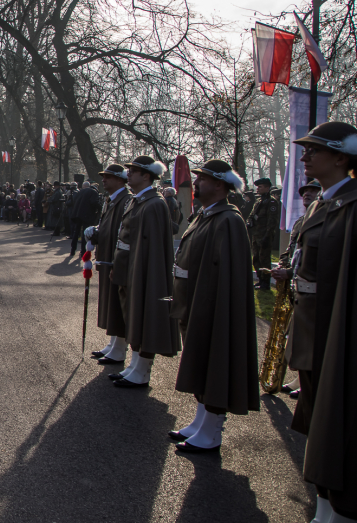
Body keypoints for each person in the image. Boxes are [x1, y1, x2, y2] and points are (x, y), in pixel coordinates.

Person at [273, 121, 357, 523]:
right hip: (314, 327)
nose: (304, 158)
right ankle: (324, 519)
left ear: (342, 157)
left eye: (314, 151)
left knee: (339, 430)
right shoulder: (328, 202)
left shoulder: (352, 205)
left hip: (338, 332)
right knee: (319, 426)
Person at [168, 160, 258, 454]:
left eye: (203, 179)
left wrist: (210, 307)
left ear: (220, 184)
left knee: (213, 363)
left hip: (210, 306)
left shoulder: (229, 220)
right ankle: (202, 419)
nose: (196, 184)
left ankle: (213, 429)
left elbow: (226, 276)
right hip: (194, 302)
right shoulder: (206, 215)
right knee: (199, 363)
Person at [108, 156, 179, 388]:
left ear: (146, 175)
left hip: (143, 270)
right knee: (133, 317)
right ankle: (134, 366)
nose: (128, 174)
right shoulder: (138, 201)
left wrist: (144, 274)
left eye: (133, 171)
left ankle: (142, 369)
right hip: (130, 268)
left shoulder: (154, 203)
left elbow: (155, 248)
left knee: (143, 318)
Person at [271, 178, 321, 399]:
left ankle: (309, 379)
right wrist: (283, 265)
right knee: (296, 334)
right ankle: (300, 377)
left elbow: (312, 260)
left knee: (312, 337)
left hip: (314, 289)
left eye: (312, 191)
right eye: (305, 192)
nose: (307, 195)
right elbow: (293, 252)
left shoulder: (322, 219)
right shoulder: (303, 221)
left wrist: (290, 272)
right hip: (295, 286)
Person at [87, 164, 132, 364]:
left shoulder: (125, 200)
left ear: (121, 180)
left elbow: (123, 231)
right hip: (107, 258)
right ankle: (114, 342)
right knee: (109, 303)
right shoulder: (111, 200)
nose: (104, 180)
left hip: (117, 260)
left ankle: (119, 347)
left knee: (116, 304)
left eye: (109, 177)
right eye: (104, 176)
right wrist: (96, 231)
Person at [248, 177, 280, 290]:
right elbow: (252, 216)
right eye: (257, 187)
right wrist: (249, 222)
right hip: (256, 235)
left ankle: (265, 282)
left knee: (264, 259)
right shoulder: (259, 201)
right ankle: (260, 279)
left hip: (265, 235)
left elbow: (272, 221)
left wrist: (267, 236)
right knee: (256, 258)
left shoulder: (271, 202)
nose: (258, 189)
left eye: (260, 187)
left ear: (267, 188)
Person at [68, 181, 101, 256]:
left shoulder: (81, 191)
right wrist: (99, 208)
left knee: (76, 232)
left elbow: (74, 201)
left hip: (77, 214)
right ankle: (83, 251)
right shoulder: (94, 192)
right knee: (84, 233)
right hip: (86, 214)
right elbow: (94, 202)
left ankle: (72, 250)